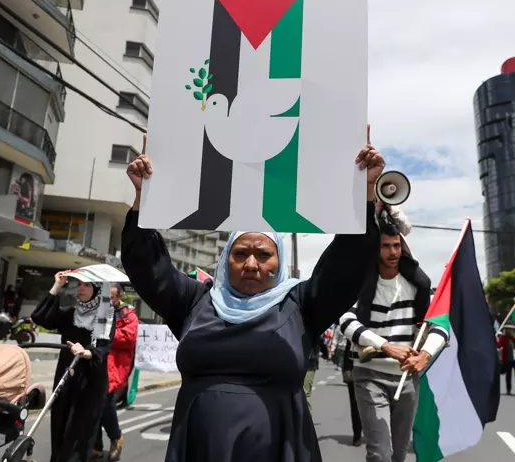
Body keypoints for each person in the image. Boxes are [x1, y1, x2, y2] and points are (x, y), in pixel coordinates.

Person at [121, 128, 385, 462]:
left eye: (263, 255)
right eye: (240, 253)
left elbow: (348, 264)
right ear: (224, 259)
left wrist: (363, 192)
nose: (250, 264)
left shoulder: (302, 304)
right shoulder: (194, 301)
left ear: (280, 262)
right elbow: (146, 266)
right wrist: (146, 198)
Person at [339, 215, 448, 462]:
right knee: (380, 452)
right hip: (368, 375)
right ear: (375, 249)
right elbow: (345, 323)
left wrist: (425, 355)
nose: (392, 252)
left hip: (407, 379)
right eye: (385, 246)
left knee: (398, 454)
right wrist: (385, 346)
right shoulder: (362, 283)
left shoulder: (416, 286)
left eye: (396, 245)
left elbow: (439, 328)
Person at [31, 272, 115, 462]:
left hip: (90, 381)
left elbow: (104, 347)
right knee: (59, 427)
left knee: (78, 436)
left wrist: (87, 352)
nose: (81, 288)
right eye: (79, 284)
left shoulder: (107, 316)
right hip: (66, 376)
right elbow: (39, 317)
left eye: (87, 285)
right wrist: (56, 286)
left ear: (98, 290)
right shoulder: (71, 313)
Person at [93, 283, 139, 461]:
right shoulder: (96, 312)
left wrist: (107, 331)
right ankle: (95, 446)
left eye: (111, 297)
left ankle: (116, 438)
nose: (108, 301)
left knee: (105, 402)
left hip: (116, 365)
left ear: (118, 297)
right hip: (97, 361)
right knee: (92, 405)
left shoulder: (128, 315)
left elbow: (129, 338)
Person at [341, 339, 362, 447]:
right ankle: (357, 434)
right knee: (355, 404)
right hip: (354, 370)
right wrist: (346, 369)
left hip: (376, 370)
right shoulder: (354, 326)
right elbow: (348, 351)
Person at [497, 326, 515, 397]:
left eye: (510, 330)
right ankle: (508, 389)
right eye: (508, 330)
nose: (509, 331)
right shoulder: (503, 337)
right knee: (508, 375)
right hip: (507, 359)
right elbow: (498, 345)